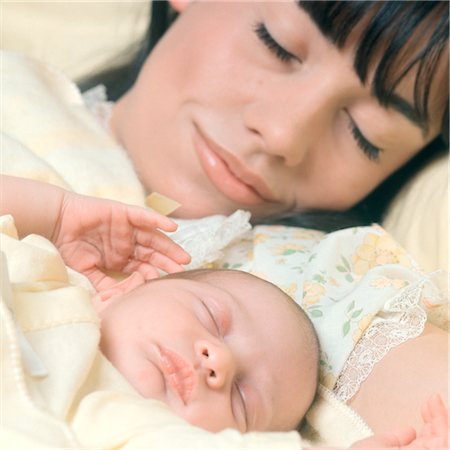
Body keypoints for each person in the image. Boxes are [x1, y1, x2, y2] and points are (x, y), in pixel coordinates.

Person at [0, 174, 448, 448]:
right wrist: (54, 216)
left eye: (243, 401)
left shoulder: (161, 438)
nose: (221, 362)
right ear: (131, 288)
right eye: (212, 318)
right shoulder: (44, 276)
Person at [79, 0, 449, 230]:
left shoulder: (336, 292)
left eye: (365, 133)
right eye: (278, 44)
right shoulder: (21, 93)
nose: (281, 135)